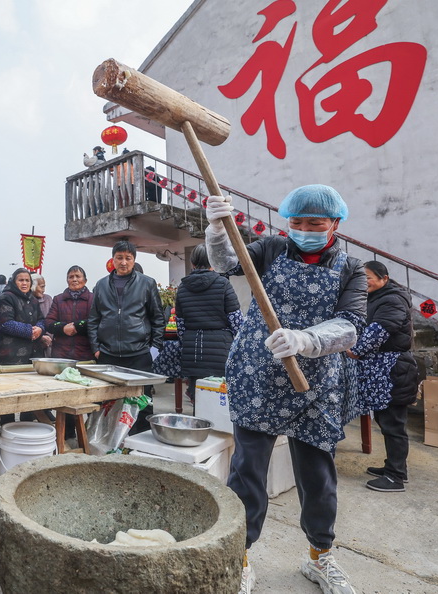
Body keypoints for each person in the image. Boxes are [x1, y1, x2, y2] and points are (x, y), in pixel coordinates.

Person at [204, 185, 366, 594]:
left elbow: (350, 326)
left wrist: (306, 340)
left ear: (335, 224)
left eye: (315, 223)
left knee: (317, 476)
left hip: (314, 384)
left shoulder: (351, 268)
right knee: (248, 471)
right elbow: (227, 264)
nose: (304, 230)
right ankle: (239, 557)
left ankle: (320, 556)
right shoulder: (272, 248)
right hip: (257, 375)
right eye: (296, 222)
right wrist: (218, 229)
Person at [347, 261, 418, 493]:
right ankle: (394, 468)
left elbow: (378, 331)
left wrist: (354, 350)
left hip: (394, 369)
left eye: (368, 277)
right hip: (383, 369)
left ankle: (395, 477)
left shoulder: (392, 299)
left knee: (394, 425)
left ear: (384, 278)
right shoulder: (376, 297)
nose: (364, 281)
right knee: (386, 422)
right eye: (361, 277)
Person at [87, 240, 165, 433]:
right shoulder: (101, 285)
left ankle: (141, 441)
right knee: (108, 400)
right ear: (112, 260)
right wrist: (96, 348)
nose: (123, 262)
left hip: (139, 354)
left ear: (134, 260)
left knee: (142, 400)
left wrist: (154, 349)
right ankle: (109, 439)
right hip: (108, 354)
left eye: (128, 258)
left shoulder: (147, 283)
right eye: (119, 257)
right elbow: (93, 320)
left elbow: (157, 317)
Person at [174, 243, 242, 403]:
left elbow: (180, 326)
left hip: (193, 352)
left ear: (192, 263)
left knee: (198, 400)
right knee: (220, 401)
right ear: (214, 260)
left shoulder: (183, 287)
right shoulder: (223, 284)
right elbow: (237, 322)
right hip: (221, 351)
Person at [0, 268, 45, 366]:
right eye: (21, 280)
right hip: (11, 355)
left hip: (33, 354)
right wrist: (30, 331)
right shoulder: (6, 297)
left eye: (27, 280)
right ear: (13, 282)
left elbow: (41, 319)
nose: (24, 283)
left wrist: (40, 329)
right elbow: (6, 324)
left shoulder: (33, 300)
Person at [44, 266, 95, 361]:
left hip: (85, 354)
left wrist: (77, 326)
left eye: (78, 276)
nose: (74, 279)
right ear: (67, 280)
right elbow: (48, 322)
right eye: (71, 277)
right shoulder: (58, 299)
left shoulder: (94, 299)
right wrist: (63, 328)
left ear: (85, 280)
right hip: (61, 355)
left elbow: (97, 321)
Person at [31, 274, 53, 356]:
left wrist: (47, 336)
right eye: (41, 287)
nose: (44, 290)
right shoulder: (26, 301)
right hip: (31, 342)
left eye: (44, 287)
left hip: (48, 342)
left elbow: (52, 319)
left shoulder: (48, 299)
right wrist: (40, 336)